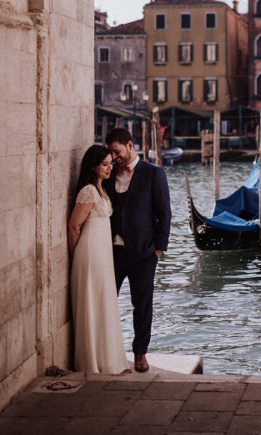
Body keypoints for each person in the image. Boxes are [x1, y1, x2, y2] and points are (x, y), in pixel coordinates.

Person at [105, 127, 172, 373]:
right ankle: (107, 350)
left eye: (117, 152)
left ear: (130, 146)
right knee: (105, 302)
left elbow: (164, 213)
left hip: (143, 253)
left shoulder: (154, 173)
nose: (114, 157)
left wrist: (158, 249)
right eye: (111, 153)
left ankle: (140, 353)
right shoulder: (108, 172)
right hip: (111, 252)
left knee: (142, 305)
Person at [67, 145, 131, 374]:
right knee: (93, 303)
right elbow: (73, 226)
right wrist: (76, 257)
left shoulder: (101, 189)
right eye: (104, 164)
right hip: (90, 254)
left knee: (104, 303)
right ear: (93, 166)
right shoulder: (88, 191)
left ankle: (109, 361)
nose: (109, 168)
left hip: (103, 254)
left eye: (110, 164)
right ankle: (93, 362)